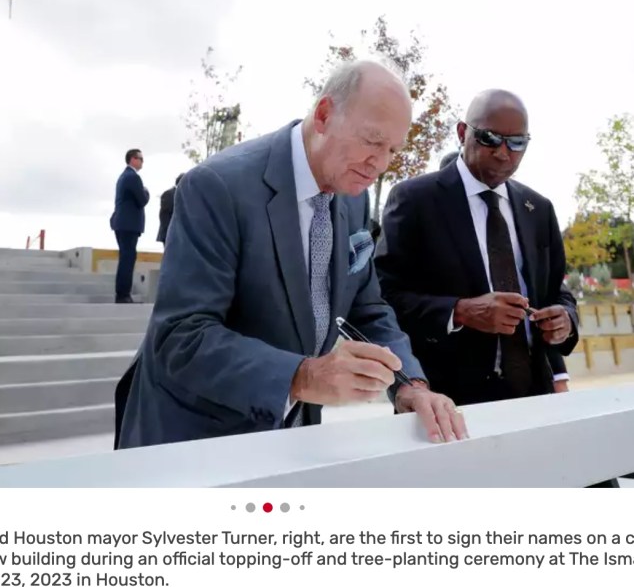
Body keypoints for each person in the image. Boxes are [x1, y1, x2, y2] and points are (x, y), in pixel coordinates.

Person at [115, 61, 467, 449]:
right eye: (371, 141)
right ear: (324, 114)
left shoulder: (352, 197)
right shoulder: (217, 186)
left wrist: (410, 385)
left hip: (291, 435)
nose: (380, 165)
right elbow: (181, 337)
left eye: (392, 150)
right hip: (198, 435)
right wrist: (301, 376)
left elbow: (367, 309)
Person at [374, 89, 576, 408]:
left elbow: (556, 291)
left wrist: (566, 319)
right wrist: (460, 311)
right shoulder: (415, 201)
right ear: (462, 132)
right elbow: (383, 297)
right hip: (447, 404)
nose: (503, 152)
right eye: (490, 138)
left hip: (536, 399)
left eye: (517, 142)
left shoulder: (538, 209)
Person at [109, 149, 149, 304]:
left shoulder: (123, 177)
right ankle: (123, 294)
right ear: (132, 159)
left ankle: (122, 293)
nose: (142, 162)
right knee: (128, 258)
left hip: (122, 223)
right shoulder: (133, 177)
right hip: (128, 224)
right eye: (140, 159)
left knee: (126, 257)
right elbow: (142, 200)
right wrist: (146, 192)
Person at [156, 173, 184, 244]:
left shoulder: (186, 195)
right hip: (169, 234)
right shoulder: (169, 194)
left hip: (181, 235)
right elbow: (164, 215)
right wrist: (170, 231)